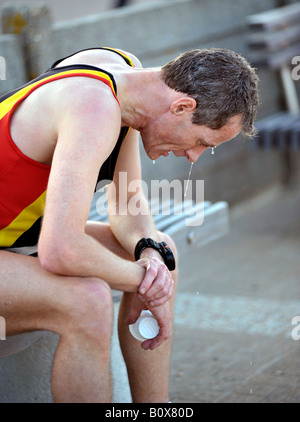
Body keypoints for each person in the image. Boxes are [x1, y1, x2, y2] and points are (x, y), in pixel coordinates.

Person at [0, 46, 258, 403]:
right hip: (22, 244)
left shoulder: (125, 75)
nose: (193, 156)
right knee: (87, 302)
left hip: (11, 241)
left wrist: (149, 255)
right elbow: (61, 250)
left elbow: (125, 200)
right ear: (182, 107)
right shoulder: (92, 106)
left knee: (162, 254)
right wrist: (149, 282)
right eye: (202, 142)